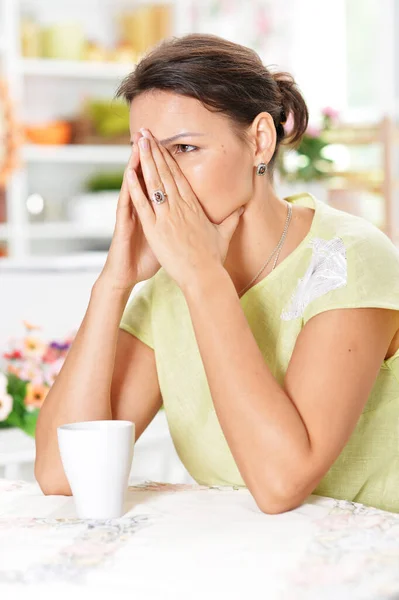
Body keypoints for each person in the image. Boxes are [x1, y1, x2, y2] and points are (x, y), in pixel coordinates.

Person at [35, 33, 399, 515]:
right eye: (146, 154)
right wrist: (114, 282)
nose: (160, 178)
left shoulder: (348, 259)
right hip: (241, 562)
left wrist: (204, 277)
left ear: (259, 141)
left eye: (184, 148)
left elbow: (281, 484)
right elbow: (62, 474)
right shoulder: (169, 284)